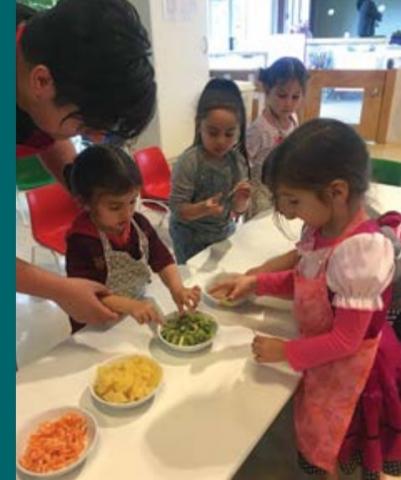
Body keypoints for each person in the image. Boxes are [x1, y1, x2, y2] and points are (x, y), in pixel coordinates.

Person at [210, 119, 401, 479]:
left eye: (294, 200)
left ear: (337, 192)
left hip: (355, 375)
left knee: (337, 446)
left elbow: (347, 340)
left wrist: (286, 352)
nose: (289, 210)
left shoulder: (359, 253)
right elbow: (306, 279)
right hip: (325, 358)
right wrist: (256, 283)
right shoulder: (322, 227)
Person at [16, 0, 156, 327]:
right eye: (85, 126)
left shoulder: (45, 45)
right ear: (41, 82)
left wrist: (85, 190)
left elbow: (48, 132)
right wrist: (57, 289)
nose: (93, 140)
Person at [65, 145, 200, 333]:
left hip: (131, 313)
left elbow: (162, 259)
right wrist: (131, 306)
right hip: (96, 322)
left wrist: (177, 288)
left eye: (132, 201)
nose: (127, 214)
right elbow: (87, 294)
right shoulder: (81, 241)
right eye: (115, 207)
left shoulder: (139, 225)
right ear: (84, 203)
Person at [169, 78, 251, 264]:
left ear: (238, 131)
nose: (221, 141)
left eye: (229, 134)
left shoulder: (237, 161)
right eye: (213, 133)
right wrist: (202, 208)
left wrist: (242, 201)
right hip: (189, 237)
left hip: (222, 232)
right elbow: (177, 209)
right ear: (199, 126)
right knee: (192, 282)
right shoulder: (189, 162)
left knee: (218, 276)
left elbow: (238, 210)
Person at [246, 57, 308, 219]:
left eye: (295, 97)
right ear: (267, 90)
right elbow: (243, 161)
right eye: (282, 95)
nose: (288, 103)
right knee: (261, 225)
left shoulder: (293, 119)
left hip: (284, 184)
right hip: (262, 190)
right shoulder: (259, 128)